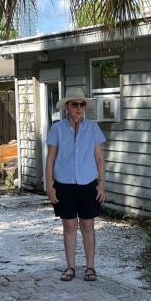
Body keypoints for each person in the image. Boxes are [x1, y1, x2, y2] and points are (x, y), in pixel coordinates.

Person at [45, 87, 107, 282]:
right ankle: (70, 266)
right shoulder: (57, 129)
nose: (79, 108)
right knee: (69, 225)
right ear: (67, 107)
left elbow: (99, 158)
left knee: (88, 224)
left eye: (82, 105)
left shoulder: (93, 128)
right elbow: (50, 159)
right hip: (64, 184)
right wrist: (49, 184)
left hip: (88, 183)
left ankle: (90, 267)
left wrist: (102, 183)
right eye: (75, 105)